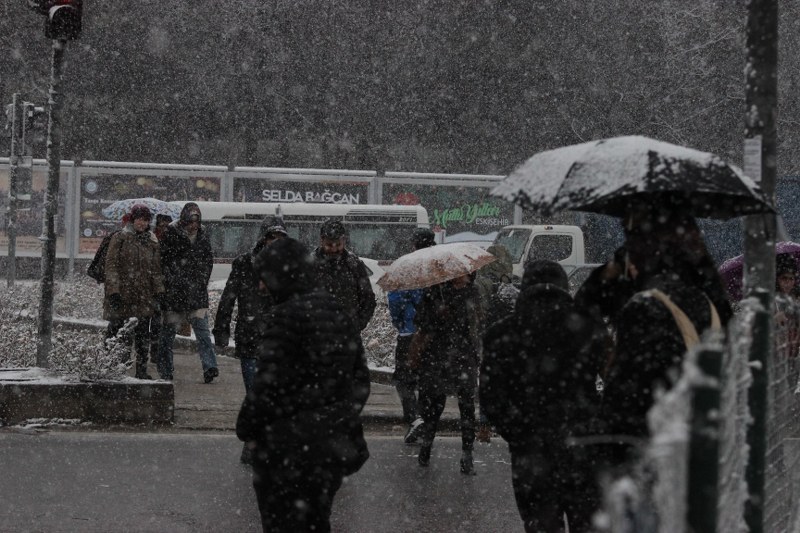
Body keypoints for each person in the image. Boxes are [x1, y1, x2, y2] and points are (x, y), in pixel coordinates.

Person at [236, 238, 370, 532]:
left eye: (265, 278)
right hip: (330, 449)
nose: (261, 287)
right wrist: (337, 415)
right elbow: (361, 377)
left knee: (282, 524)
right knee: (316, 522)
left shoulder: (285, 317)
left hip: (289, 452)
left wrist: (247, 427)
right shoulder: (336, 311)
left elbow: (267, 387)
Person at [481, 260, 607, 532]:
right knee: (587, 524)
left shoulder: (501, 335)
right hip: (582, 447)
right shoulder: (589, 328)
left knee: (541, 524)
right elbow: (618, 382)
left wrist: (519, 431)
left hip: (531, 454)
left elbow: (492, 399)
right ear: (564, 287)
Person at [601, 205, 731, 465]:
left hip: (657, 447)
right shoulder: (710, 302)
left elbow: (628, 395)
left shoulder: (646, 308)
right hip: (706, 441)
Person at [214, 216, 287, 464]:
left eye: (280, 238)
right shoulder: (245, 263)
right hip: (251, 336)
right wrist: (221, 329)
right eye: (271, 237)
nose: (275, 243)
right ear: (263, 238)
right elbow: (228, 297)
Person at [409, 272, 483, 475]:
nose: (462, 278)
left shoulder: (473, 292)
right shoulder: (434, 291)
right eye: (458, 275)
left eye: (465, 275)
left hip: (465, 356)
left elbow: (477, 323)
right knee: (435, 405)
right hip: (438, 356)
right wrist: (437, 314)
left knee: (467, 407)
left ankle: (467, 455)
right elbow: (421, 322)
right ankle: (426, 447)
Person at [157, 202, 219, 383]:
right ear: (184, 221)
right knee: (167, 335)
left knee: (203, 334)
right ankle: (166, 370)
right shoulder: (171, 234)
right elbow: (164, 262)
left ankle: (210, 367)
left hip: (197, 294)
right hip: (174, 294)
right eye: (191, 222)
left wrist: (201, 281)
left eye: (197, 222)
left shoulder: (203, 235)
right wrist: (172, 282)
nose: (194, 226)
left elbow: (208, 261)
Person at [103, 204, 166, 380]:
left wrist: (159, 291)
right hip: (123, 296)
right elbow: (111, 266)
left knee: (142, 336)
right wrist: (114, 291)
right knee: (120, 334)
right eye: (139, 219)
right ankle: (115, 369)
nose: (142, 223)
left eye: (146, 220)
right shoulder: (120, 238)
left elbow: (156, 270)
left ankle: (141, 370)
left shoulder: (151, 242)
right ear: (132, 219)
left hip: (143, 297)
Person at [386, 227, 435, 444]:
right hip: (432, 334)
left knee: (404, 379)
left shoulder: (405, 267)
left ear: (413, 245)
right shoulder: (438, 266)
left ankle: (415, 419)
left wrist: (401, 323)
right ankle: (424, 418)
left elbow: (395, 300)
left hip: (409, 333)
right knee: (427, 379)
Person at [313, 218, 376, 331]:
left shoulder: (354, 264)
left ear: (344, 240)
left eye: (338, 244)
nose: (334, 249)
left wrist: (358, 324)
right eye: (329, 244)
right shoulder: (309, 264)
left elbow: (368, 298)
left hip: (348, 334)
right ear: (321, 240)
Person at [148, 213, 173, 367]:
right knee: (154, 320)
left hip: (166, 286)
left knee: (162, 321)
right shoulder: (151, 239)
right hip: (152, 285)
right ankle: (153, 350)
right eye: (162, 225)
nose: (164, 228)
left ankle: (157, 351)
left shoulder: (172, 240)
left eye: (167, 225)